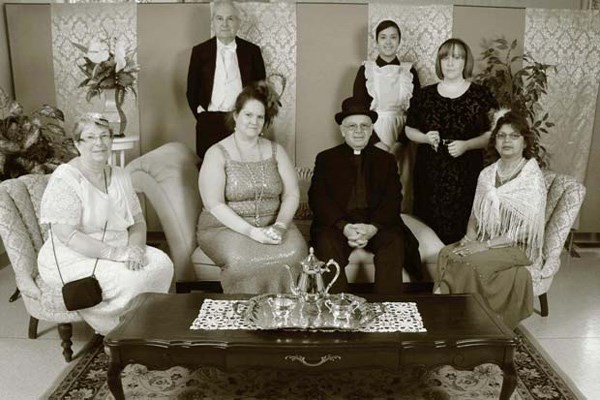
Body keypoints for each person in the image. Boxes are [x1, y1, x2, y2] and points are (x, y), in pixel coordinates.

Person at [37, 113, 174, 335]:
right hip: (73, 254)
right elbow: (67, 236)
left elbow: (137, 221)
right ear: (77, 143)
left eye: (104, 136)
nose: (98, 143)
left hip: (119, 245)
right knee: (132, 279)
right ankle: (121, 333)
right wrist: (118, 255)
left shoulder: (120, 176)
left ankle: (145, 324)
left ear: (111, 140)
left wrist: (136, 249)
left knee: (162, 263)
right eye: (90, 137)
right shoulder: (66, 178)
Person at [435, 110, 547, 329]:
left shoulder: (531, 178)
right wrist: (468, 240)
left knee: (469, 262)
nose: (507, 141)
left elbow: (528, 230)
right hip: (486, 237)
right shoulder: (487, 173)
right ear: (494, 141)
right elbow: (476, 213)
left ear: (525, 142)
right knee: (447, 253)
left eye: (514, 136)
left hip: (518, 245)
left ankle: (471, 321)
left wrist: (484, 246)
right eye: (501, 136)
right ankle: (445, 312)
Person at [197, 81, 307, 294]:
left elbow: (292, 194)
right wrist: (252, 232)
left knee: (296, 253)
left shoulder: (277, 151)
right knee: (244, 262)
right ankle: (249, 319)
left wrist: (281, 226)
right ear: (236, 116)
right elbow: (214, 203)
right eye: (248, 115)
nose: (253, 121)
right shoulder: (217, 153)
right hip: (225, 228)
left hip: (273, 223)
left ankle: (286, 317)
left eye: (260, 117)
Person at [308, 97, 422, 294]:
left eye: (364, 126)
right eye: (352, 126)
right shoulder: (326, 159)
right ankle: (337, 308)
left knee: (394, 241)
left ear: (371, 130)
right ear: (342, 130)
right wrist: (345, 228)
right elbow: (319, 199)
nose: (358, 131)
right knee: (326, 242)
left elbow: (393, 199)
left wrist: (372, 228)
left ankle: (388, 308)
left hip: (375, 222)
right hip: (339, 224)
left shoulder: (386, 160)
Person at [405, 38, 498, 244]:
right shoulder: (424, 95)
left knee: (463, 230)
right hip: (429, 173)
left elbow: (494, 133)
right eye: (445, 57)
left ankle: (459, 272)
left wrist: (467, 145)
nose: (450, 62)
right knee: (428, 232)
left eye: (457, 57)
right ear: (439, 62)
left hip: (467, 173)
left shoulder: (480, 95)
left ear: (465, 62)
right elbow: (409, 129)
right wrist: (425, 137)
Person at [186, 0, 266, 158]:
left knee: (242, 165)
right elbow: (192, 90)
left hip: (241, 121)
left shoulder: (252, 52)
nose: (225, 24)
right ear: (213, 22)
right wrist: (202, 115)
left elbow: (260, 90)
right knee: (209, 169)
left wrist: (250, 118)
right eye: (219, 18)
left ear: (238, 23)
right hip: (209, 122)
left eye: (230, 18)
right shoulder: (199, 51)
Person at [353, 19, 421, 152]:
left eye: (393, 37)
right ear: (377, 41)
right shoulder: (366, 70)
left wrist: (400, 143)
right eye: (383, 37)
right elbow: (359, 110)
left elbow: (416, 111)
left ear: (399, 41)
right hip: (373, 135)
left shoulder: (409, 71)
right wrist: (376, 143)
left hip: (404, 136)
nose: (388, 42)